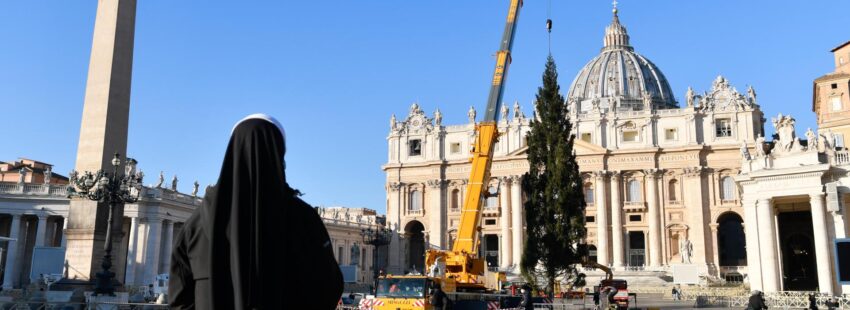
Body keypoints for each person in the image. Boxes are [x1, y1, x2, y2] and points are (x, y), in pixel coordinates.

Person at [168, 114, 344, 309]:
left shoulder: (196, 223)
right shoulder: (303, 219)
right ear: (278, 156)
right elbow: (328, 289)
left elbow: (179, 297)